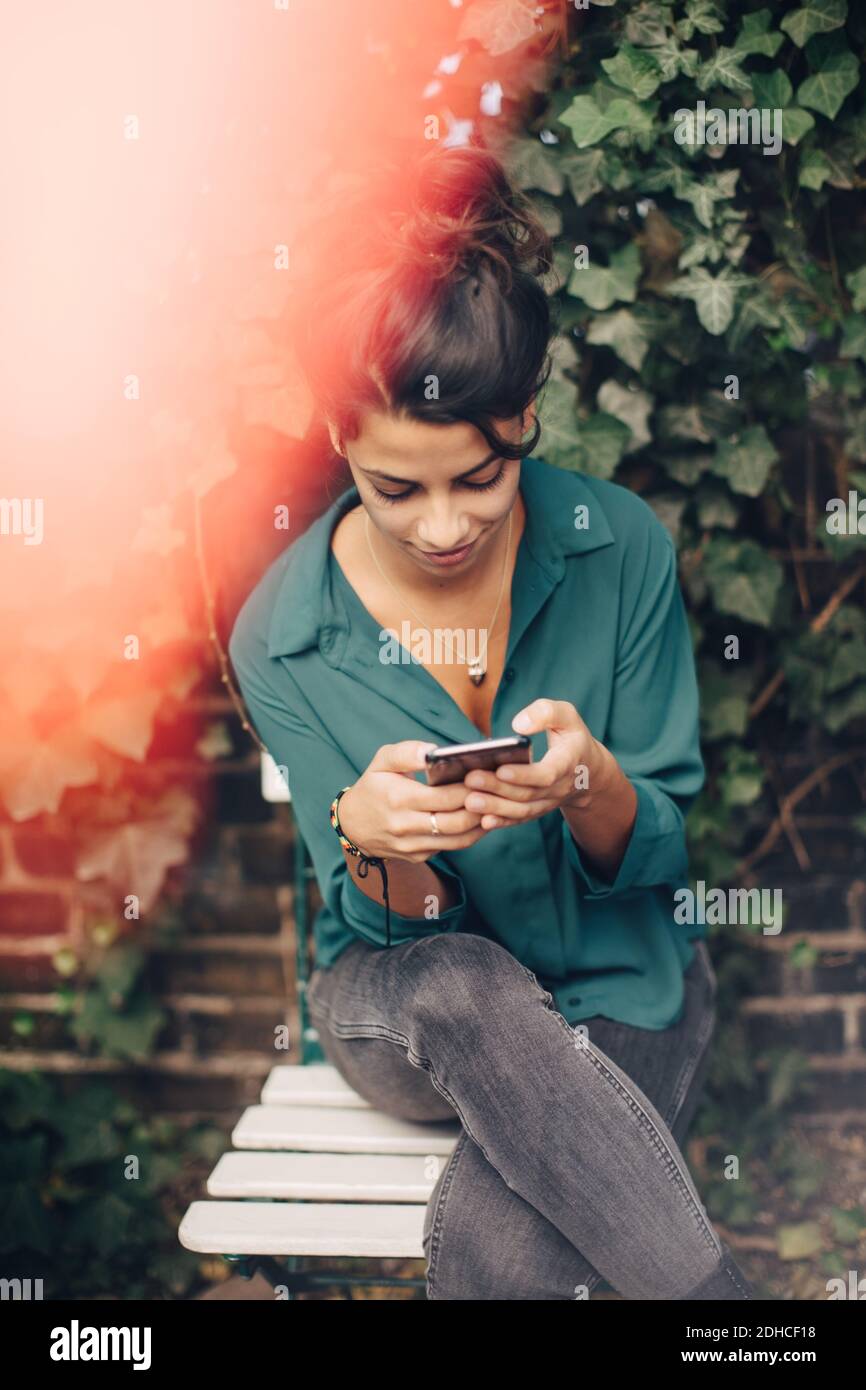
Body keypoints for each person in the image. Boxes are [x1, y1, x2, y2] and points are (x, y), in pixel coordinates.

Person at [228, 143, 757, 1301]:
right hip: (400, 1002)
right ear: (337, 441)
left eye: (478, 478)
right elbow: (386, 927)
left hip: (620, 973)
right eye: (393, 488)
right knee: (460, 981)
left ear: (523, 417)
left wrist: (591, 784)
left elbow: (656, 854)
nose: (437, 528)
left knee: (502, 1259)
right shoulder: (282, 635)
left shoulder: (617, 547)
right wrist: (374, 838)